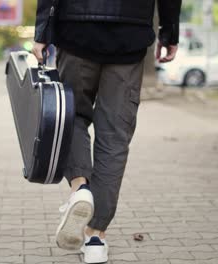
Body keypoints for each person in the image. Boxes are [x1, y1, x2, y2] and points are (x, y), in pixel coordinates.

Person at [33, 1, 182, 263]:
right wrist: (169, 31)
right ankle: (95, 236)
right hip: (131, 34)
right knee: (115, 134)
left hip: (77, 29)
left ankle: (80, 188)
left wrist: (43, 31)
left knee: (72, 116)